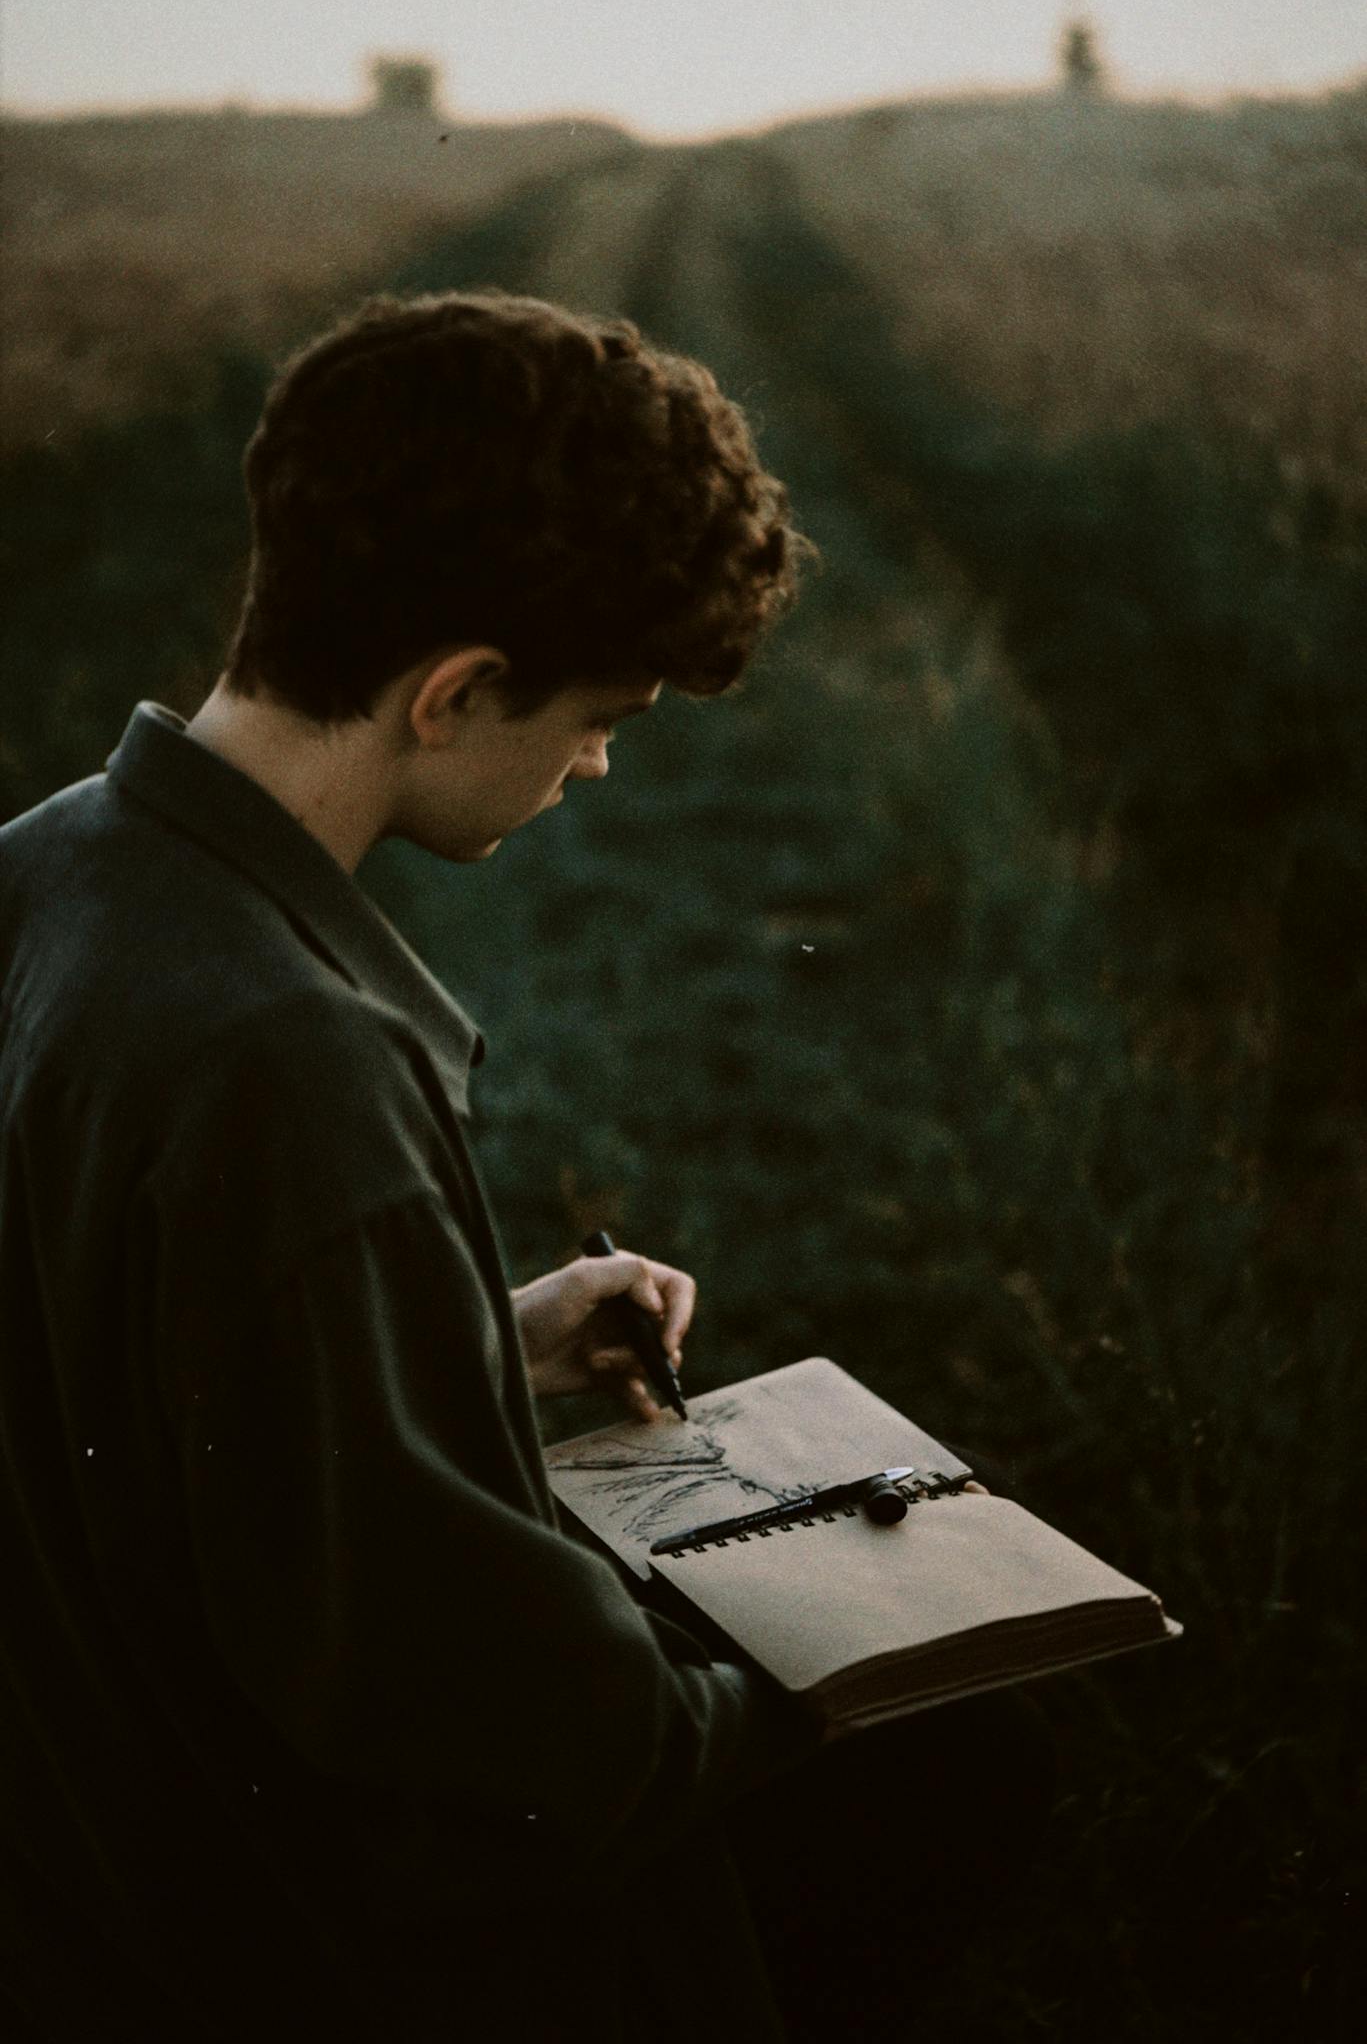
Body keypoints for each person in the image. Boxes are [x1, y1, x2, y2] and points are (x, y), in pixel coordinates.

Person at [0, 289, 1049, 2042]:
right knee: (968, 1767)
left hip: (70, 1827)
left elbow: (131, 1377)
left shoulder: (44, 867)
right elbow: (500, 1737)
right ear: (458, 689)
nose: (599, 762)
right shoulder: (293, 1060)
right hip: (255, 1924)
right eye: (596, 713)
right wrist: (839, 1660)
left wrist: (484, 1345)